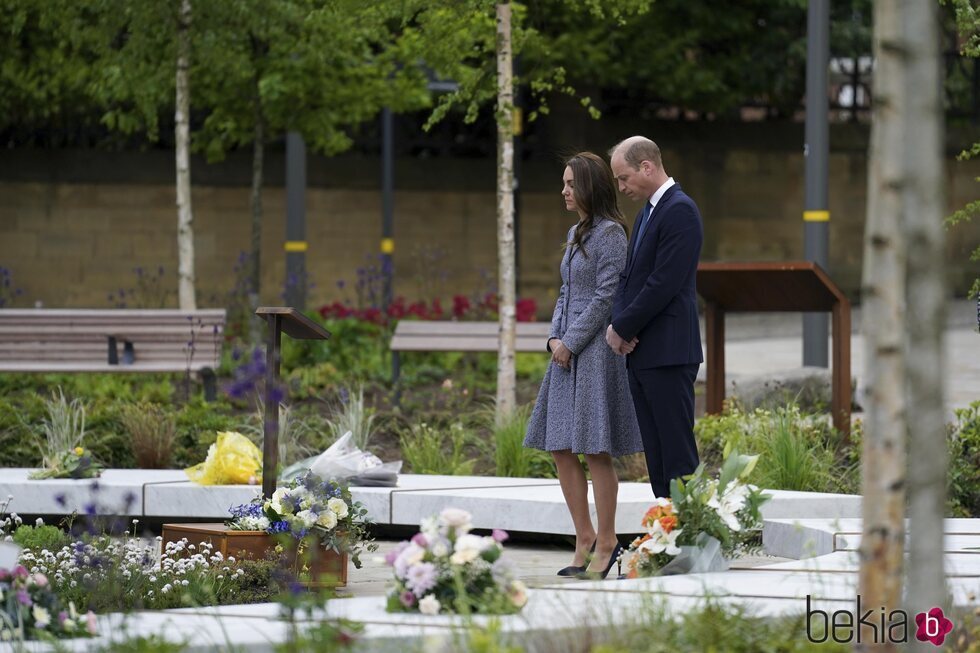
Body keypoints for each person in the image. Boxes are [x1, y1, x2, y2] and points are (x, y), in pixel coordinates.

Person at [524, 151, 643, 580]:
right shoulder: (576, 231)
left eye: (571, 184)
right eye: (564, 183)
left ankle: (608, 540)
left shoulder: (611, 234)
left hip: (593, 355)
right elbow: (565, 291)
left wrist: (572, 342)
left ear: (590, 186)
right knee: (559, 446)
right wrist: (554, 337)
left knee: (595, 449)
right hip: (565, 352)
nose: (564, 191)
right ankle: (584, 536)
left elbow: (606, 297)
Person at [605, 136, 704, 500]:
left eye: (624, 177)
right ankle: (666, 535)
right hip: (643, 353)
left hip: (669, 351)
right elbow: (629, 278)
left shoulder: (680, 210)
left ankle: (692, 541)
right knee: (657, 458)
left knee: (677, 455)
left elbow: (664, 282)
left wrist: (624, 327)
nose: (621, 186)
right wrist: (618, 325)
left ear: (647, 167)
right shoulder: (647, 212)